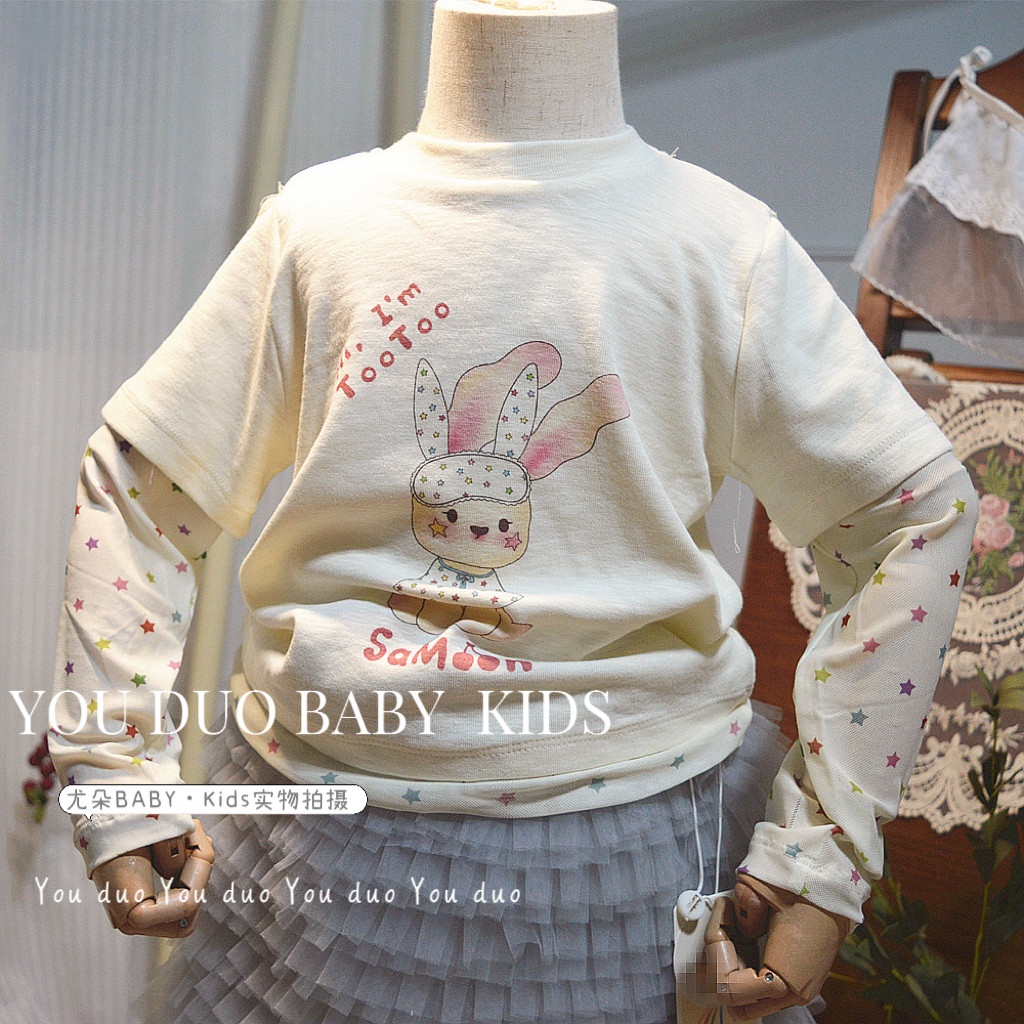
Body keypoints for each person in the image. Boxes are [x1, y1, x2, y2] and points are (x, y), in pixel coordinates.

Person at [48, 1, 979, 1022]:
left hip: (635, 847)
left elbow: (913, 515)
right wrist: (116, 778)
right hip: (319, 838)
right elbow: (139, 487)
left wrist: (821, 856)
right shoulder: (319, 232)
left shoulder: (721, 248)